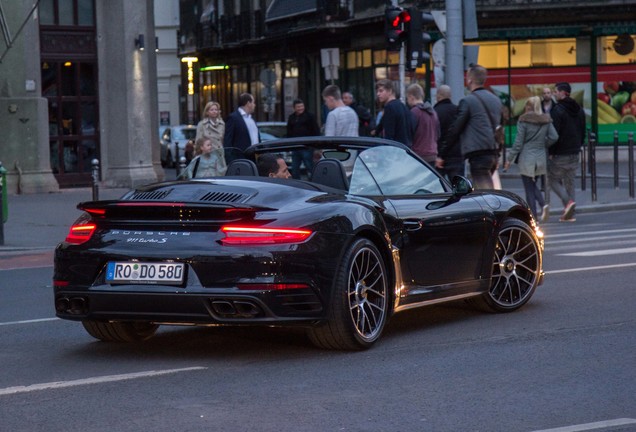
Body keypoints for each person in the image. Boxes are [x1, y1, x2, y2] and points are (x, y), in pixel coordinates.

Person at [447, 64, 502, 190]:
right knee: (480, 191)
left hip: (478, 153)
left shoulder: (468, 101)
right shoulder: (496, 100)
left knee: (486, 193)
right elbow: (500, 126)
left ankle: (496, 210)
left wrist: (443, 151)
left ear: (470, 80)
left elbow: (456, 129)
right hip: (493, 152)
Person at [504, 96, 558, 222]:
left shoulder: (523, 121)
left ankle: (534, 216)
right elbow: (554, 136)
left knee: (529, 188)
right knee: (533, 185)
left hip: (527, 158)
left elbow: (518, 143)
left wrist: (509, 159)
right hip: (540, 159)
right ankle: (543, 205)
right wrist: (544, 144)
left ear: (528, 106)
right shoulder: (546, 120)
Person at [548, 82, 586, 222]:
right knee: (570, 181)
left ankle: (568, 202)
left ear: (563, 93)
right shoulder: (579, 109)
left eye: (556, 91)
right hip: (575, 151)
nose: (554, 94)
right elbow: (583, 131)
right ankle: (570, 213)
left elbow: (554, 134)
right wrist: (579, 145)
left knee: (551, 179)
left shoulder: (557, 110)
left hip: (560, 152)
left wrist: (551, 151)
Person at [406, 83, 439, 165]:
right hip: (432, 154)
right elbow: (438, 134)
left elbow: (409, 134)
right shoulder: (433, 112)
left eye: (407, 98)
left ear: (411, 97)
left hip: (419, 155)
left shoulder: (415, 112)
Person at [434, 85, 463, 180]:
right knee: (458, 187)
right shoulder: (458, 110)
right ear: (450, 96)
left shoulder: (435, 112)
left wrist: (440, 155)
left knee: (439, 187)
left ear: (438, 96)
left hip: (439, 155)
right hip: (457, 155)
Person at [287, 98, 320, 179]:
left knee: (309, 166)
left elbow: (316, 130)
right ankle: (297, 184)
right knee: (294, 168)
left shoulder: (309, 116)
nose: (300, 108)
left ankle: (315, 180)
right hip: (295, 146)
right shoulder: (291, 117)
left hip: (307, 146)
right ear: (294, 108)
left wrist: (317, 146)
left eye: (302, 106)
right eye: (298, 107)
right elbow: (289, 132)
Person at [375, 79, 413, 147]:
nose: (378, 94)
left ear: (390, 91)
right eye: (377, 91)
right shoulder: (403, 106)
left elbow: (389, 135)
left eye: (381, 91)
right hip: (406, 149)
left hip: (395, 150)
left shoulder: (389, 107)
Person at [223, 93, 260, 157]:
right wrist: (231, 160)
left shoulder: (251, 119)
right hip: (241, 158)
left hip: (255, 156)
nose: (255, 105)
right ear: (248, 103)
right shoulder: (233, 118)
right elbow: (227, 141)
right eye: (253, 103)